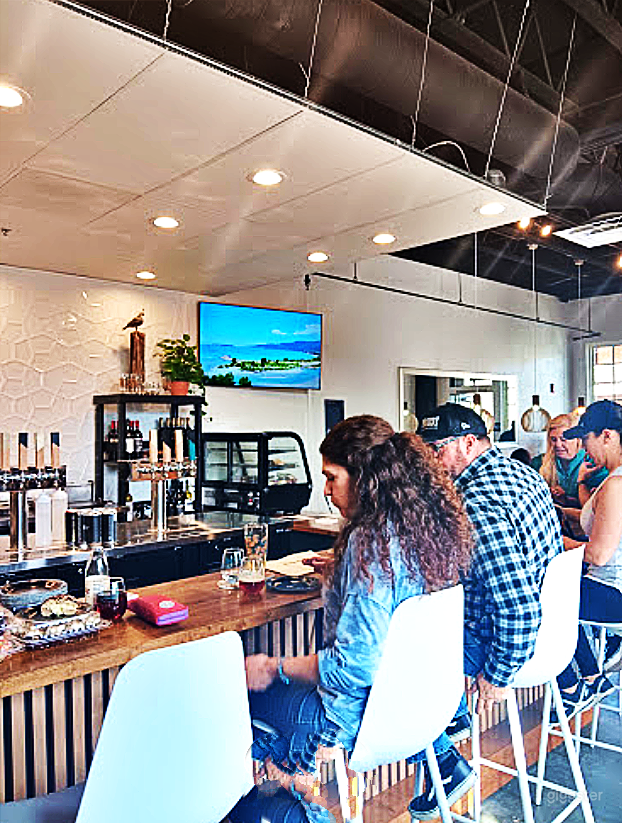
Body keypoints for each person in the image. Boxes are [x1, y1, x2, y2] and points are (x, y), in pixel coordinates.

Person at [229, 415, 472, 823]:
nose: (325, 490)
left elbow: (355, 666)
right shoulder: (421, 527)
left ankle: (290, 792)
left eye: (332, 478)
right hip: (415, 708)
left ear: (364, 477)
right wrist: (344, 572)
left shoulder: (371, 540)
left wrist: (274, 666)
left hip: (352, 716)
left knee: (237, 700)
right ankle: (289, 783)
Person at [409, 403, 563, 820]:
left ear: (469, 443)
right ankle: (450, 720)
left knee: (393, 657)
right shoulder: (522, 474)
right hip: (550, 635)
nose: (431, 462)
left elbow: (517, 607)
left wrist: (497, 675)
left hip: (502, 638)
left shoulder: (476, 502)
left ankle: (443, 755)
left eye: (436, 449)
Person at [553, 400, 622, 715]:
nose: (583, 447)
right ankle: (595, 679)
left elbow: (598, 554)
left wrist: (555, 542)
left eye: (587, 439)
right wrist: (560, 512)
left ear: (607, 436)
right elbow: (596, 519)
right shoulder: (613, 480)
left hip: (613, 593)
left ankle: (573, 687)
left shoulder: (616, 486)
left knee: (542, 600)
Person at [532, 413, 608, 510]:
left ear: (578, 440)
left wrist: (566, 500)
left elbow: (597, 509)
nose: (558, 445)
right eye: (553, 439)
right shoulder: (539, 463)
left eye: (564, 439)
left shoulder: (594, 465)